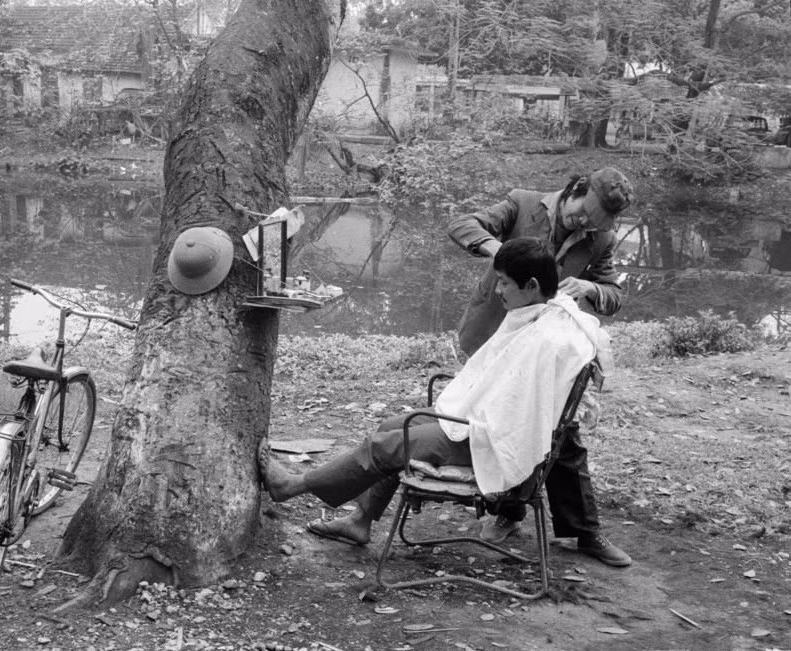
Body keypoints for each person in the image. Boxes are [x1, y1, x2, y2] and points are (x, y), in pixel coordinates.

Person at [258, 239, 615, 562]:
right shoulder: (545, 313)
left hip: (491, 441)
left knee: (386, 445)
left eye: (505, 283)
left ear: (532, 285)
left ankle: (291, 486)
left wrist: (471, 414)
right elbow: (504, 386)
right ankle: (360, 521)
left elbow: (515, 412)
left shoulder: (548, 338)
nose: (498, 291)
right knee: (392, 426)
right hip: (484, 422)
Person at [446, 167, 633, 566]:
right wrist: (502, 255)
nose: (583, 225)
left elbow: (615, 296)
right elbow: (462, 224)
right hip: (492, 337)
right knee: (495, 422)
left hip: (541, 352)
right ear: (576, 190)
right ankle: (508, 511)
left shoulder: (601, 240)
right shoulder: (522, 203)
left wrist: (589, 287)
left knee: (561, 434)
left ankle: (584, 532)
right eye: (582, 214)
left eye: (594, 224)